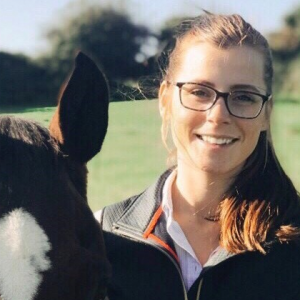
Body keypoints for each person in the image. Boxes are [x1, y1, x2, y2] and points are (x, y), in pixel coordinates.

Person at [95, 12, 300, 300]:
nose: (218, 116)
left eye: (243, 97)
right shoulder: (100, 236)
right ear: (166, 101)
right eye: (199, 92)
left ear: (266, 113)